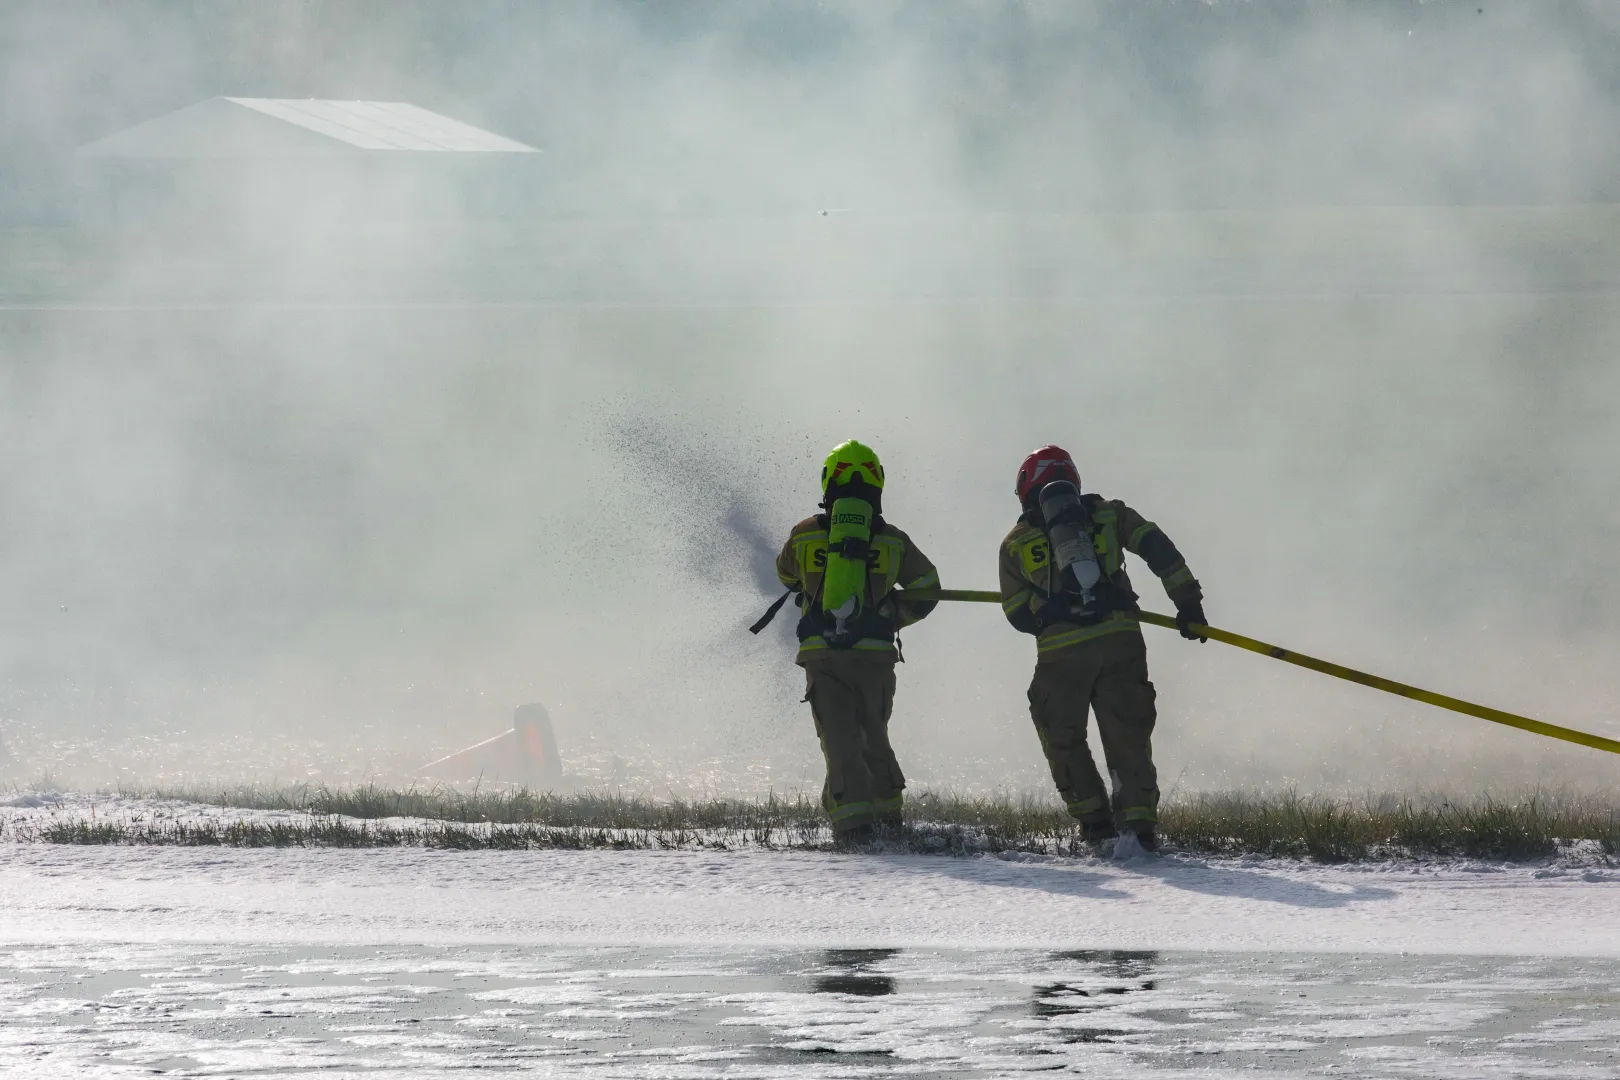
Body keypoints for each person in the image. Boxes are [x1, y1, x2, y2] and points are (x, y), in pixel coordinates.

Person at [998, 445, 1206, 851]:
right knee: (1127, 732)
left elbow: (1016, 614)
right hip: (1120, 640)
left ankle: (1095, 825)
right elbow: (1157, 547)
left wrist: (1052, 613)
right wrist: (1188, 602)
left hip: (1061, 655)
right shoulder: (1110, 513)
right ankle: (1139, 829)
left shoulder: (1016, 543)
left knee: (1061, 735)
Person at [774, 440, 939, 845]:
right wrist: (889, 617)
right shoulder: (894, 541)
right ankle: (889, 822)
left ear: (829, 483)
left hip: (823, 656)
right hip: (874, 658)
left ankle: (853, 830)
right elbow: (927, 589)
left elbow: (785, 576)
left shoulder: (805, 534)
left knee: (839, 740)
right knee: (873, 734)